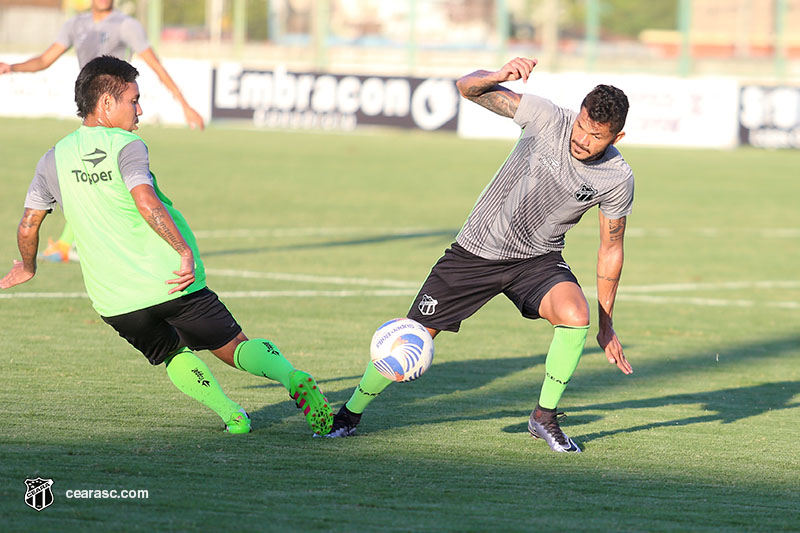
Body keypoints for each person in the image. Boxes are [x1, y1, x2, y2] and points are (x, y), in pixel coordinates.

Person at [0, 56, 333, 436]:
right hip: (171, 281)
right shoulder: (127, 144)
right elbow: (146, 201)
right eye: (133, 100)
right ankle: (292, 378)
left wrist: (28, 267)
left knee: (171, 354)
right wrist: (183, 250)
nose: (140, 110)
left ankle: (231, 415)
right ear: (106, 104)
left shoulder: (51, 159)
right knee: (235, 346)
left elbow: (29, 224)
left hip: (115, 301)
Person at [326, 57, 634, 453]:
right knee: (412, 336)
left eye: (596, 137)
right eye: (582, 127)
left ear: (617, 138)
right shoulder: (546, 117)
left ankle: (544, 417)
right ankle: (349, 415)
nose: (582, 140)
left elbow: (611, 248)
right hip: (476, 251)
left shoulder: (617, 178)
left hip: (536, 260)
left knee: (576, 315)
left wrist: (606, 324)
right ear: (577, 114)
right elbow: (466, 88)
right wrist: (497, 76)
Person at [0, 0, 205, 263]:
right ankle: (67, 244)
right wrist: (12, 67)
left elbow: (156, 66)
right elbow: (44, 59)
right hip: (93, 113)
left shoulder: (127, 25)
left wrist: (185, 105)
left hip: (117, 115)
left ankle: (75, 243)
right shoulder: (75, 25)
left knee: (119, 180)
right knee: (91, 176)